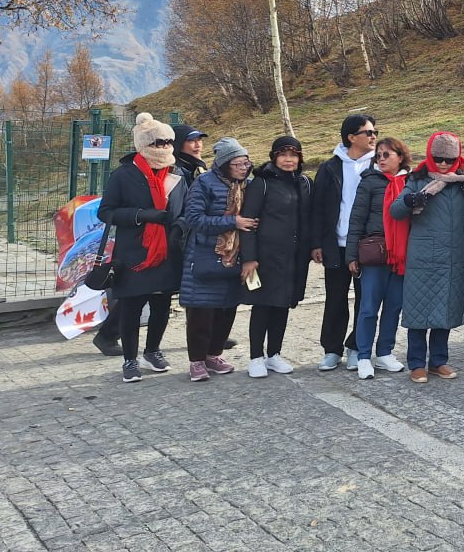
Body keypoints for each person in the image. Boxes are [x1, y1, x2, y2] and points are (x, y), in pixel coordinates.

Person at [96, 113, 188, 382]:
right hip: (134, 252)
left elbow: (186, 208)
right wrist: (141, 215)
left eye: (167, 142)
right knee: (132, 308)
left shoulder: (177, 173)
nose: (163, 148)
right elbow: (107, 211)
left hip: (167, 250)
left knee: (161, 306)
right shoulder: (124, 175)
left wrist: (178, 228)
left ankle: (153, 351)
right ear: (143, 144)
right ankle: (129, 360)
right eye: (157, 143)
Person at [392, 131, 464, 382]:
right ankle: (416, 363)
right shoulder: (417, 179)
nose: (442, 164)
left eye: (449, 160)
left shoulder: (461, 182)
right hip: (423, 255)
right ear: (429, 155)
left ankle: (439, 361)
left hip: (453, 254)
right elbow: (396, 211)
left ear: (457, 159)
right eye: (437, 158)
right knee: (419, 310)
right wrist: (410, 199)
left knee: (445, 307)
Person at [179, 138, 257, 381]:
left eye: (246, 163)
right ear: (224, 165)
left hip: (235, 257)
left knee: (226, 310)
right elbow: (194, 219)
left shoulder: (250, 185)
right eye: (238, 164)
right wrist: (232, 222)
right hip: (205, 255)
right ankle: (196, 361)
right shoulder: (204, 183)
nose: (244, 168)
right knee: (201, 312)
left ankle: (214, 355)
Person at [239, 136, 311, 378]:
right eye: (283, 154)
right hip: (266, 256)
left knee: (283, 305)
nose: (289, 160)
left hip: (294, 257)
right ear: (274, 157)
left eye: (294, 154)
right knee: (263, 306)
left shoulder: (304, 183)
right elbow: (248, 222)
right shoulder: (262, 183)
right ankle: (255, 357)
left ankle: (274, 354)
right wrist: (249, 257)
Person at [311, 114, 377, 370]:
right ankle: (331, 349)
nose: (373, 137)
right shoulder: (330, 167)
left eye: (374, 132)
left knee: (366, 299)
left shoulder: (378, 165)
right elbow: (317, 208)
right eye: (367, 133)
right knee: (335, 299)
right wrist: (316, 243)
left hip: (367, 245)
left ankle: (357, 347)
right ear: (351, 137)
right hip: (335, 245)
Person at [346, 137, 410, 379]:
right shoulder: (369, 182)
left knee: (394, 306)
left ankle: (384, 353)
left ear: (400, 157)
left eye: (387, 155)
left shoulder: (410, 182)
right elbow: (356, 219)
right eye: (378, 156)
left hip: (402, 253)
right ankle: (363, 356)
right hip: (375, 252)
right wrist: (352, 255)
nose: (381, 159)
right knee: (369, 307)